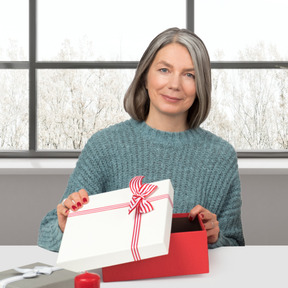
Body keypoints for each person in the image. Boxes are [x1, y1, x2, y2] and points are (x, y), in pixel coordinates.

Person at [38, 27, 245, 252]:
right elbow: (47, 235)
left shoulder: (221, 156)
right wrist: (65, 226)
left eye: (189, 75)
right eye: (164, 70)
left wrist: (215, 238)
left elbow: (235, 245)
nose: (175, 84)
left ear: (200, 86)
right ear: (145, 77)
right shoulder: (104, 146)